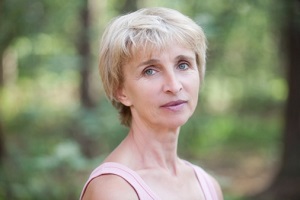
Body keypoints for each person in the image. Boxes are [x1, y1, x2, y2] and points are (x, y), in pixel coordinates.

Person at [80, 7, 223, 200]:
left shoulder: (208, 186)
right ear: (120, 91)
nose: (174, 86)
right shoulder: (113, 191)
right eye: (150, 71)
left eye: (183, 65)